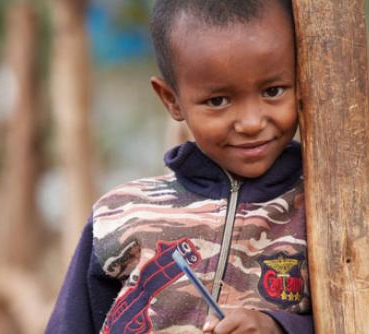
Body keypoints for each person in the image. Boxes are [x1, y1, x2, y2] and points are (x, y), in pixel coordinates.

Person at [46, 0, 314, 333]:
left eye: (273, 91)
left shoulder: (324, 214)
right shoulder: (122, 214)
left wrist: (281, 326)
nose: (250, 122)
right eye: (218, 100)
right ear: (172, 100)